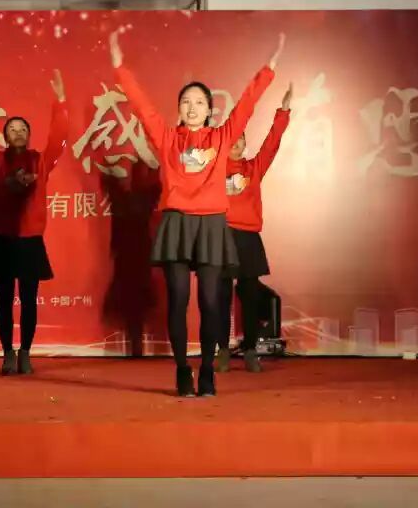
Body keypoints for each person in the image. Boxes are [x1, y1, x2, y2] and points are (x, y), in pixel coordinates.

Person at [109, 30, 284, 397]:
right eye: (186, 102)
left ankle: (206, 370)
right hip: (177, 223)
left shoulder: (221, 138)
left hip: (211, 225)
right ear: (179, 109)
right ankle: (181, 371)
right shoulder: (167, 138)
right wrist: (119, 67)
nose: (192, 108)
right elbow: (142, 106)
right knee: (178, 301)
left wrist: (268, 69)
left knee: (210, 302)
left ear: (209, 110)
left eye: (199, 102)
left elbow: (247, 105)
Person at [0, 61, 68, 376]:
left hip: (30, 242)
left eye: (23, 129)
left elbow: (59, 137)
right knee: (4, 300)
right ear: (5, 136)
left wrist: (60, 102)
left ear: (29, 136)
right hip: (1, 239)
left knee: (29, 300)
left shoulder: (40, 162)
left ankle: (25, 352)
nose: (18, 132)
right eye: (12, 129)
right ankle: (7, 353)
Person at [217, 83, 292, 374]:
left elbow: (271, 143)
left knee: (249, 296)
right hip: (221, 237)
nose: (236, 143)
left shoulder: (253, 168)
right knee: (221, 297)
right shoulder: (213, 171)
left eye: (241, 139)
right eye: (232, 139)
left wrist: (283, 112)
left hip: (248, 237)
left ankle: (250, 350)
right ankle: (223, 351)